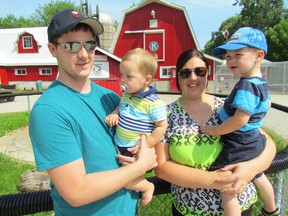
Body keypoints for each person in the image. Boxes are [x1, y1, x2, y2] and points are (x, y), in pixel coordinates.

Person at [29, 9, 157, 216]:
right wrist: (140, 166)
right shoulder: (48, 111)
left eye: (89, 44)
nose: (83, 54)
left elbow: (139, 144)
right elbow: (77, 192)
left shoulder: (111, 98)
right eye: (71, 45)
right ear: (53, 49)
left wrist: (144, 155)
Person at [154, 48, 276, 216]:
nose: (193, 78)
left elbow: (265, 142)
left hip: (241, 205)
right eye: (185, 73)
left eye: (200, 71)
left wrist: (251, 168)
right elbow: (161, 166)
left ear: (207, 74)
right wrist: (214, 181)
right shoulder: (166, 115)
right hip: (190, 209)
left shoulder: (227, 106)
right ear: (178, 77)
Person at [201, 27, 280, 216]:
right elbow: (265, 104)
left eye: (238, 54)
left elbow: (240, 119)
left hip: (238, 142)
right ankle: (272, 210)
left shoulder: (246, 86)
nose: (230, 60)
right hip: (253, 140)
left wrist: (215, 130)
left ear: (259, 56)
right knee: (258, 174)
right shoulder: (260, 82)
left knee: (225, 181)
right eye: (228, 56)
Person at [105, 48, 168, 205]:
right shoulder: (127, 95)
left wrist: (146, 144)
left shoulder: (154, 103)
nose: (123, 80)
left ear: (146, 80)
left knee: (122, 178)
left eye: (129, 76)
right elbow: (122, 106)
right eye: (122, 75)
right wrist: (115, 113)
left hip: (134, 149)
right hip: (119, 143)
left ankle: (147, 187)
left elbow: (162, 126)